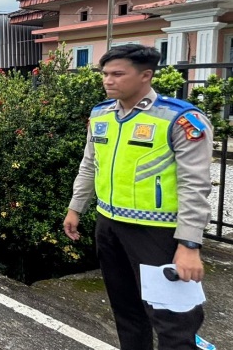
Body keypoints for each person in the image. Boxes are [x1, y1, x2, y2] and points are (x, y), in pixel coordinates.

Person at [63, 44, 212, 350]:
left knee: (173, 321)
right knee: (127, 312)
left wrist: (189, 243)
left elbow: (195, 185)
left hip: (158, 235)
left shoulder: (179, 119)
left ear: (146, 75)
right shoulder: (101, 114)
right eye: (105, 73)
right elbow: (90, 165)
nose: (108, 80)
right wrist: (75, 208)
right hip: (109, 227)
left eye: (118, 73)